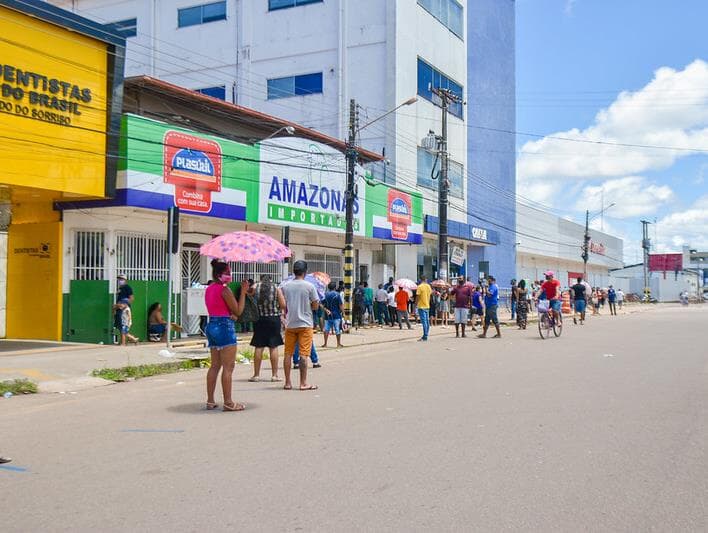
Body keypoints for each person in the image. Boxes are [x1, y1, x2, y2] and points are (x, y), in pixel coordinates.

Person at [204, 260, 247, 411]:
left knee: (215, 366)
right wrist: (243, 292)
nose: (230, 276)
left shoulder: (209, 289)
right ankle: (228, 402)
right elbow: (238, 310)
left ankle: (210, 400)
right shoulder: (225, 290)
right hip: (224, 327)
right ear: (219, 275)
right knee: (228, 367)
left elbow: (219, 308)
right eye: (227, 273)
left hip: (212, 325)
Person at [281, 260, 320, 391]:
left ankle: (287, 383)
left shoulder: (286, 287)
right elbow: (315, 306)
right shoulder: (310, 286)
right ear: (305, 272)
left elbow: (283, 304)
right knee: (304, 354)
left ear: (294, 271)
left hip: (290, 323)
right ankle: (303, 383)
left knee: (288, 353)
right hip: (305, 324)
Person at [248, 274, 286, 382]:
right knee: (273, 346)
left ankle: (256, 375)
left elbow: (248, 295)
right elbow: (283, 305)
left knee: (259, 346)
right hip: (273, 319)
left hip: (259, 320)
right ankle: (274, 375)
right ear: (271, 280)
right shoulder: (276, 288)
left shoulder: (256, 287)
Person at [322, 281, 344, 348]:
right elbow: (340, 305)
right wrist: (343, 312)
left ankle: (325, 344)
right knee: (337, 330)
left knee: (326, 329)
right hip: (336, 314)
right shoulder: (337, 294)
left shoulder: (325, 294)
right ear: (335, 287)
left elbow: (321, 304)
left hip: (327, 316)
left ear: (328, 288)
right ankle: (338, 344)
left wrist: (326, 310)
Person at [416, 276, 432, 341]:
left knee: (424, 321)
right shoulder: (428, 286)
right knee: (427, 321)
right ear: (426, 279)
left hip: (421, 306)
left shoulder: (419, 287)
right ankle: (426, 334)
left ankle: (425, 336)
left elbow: (418, 296)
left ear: (420, 280)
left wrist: (415, 304)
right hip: (427, 305)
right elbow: (429, 295)